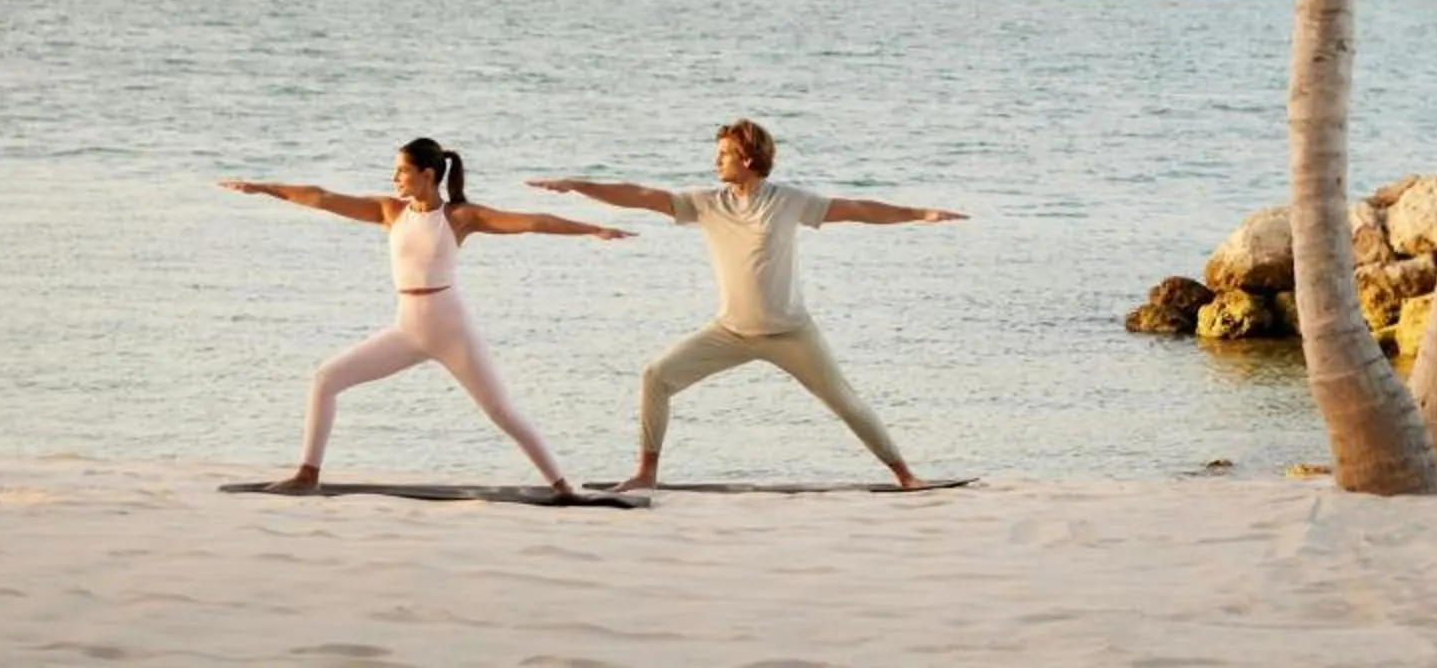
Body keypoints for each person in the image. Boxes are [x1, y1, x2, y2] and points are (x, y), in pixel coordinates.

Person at [529, 119, 963, 490]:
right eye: (717, 153)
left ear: (749, 159)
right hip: (731, 332)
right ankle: (646, 474)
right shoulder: (705, 203)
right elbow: (641, 194)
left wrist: (919, 213)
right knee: (656, 376)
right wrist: (577, 186)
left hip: (791, 333)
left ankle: (907, 477)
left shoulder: (790, 201)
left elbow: (858, 209)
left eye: (725, 154)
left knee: (845, 402)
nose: (716, 161)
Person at [219, 136, 632, 495]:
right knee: (326, 379)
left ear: (428, 174)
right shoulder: (389, 212)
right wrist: (264, 188)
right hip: (408, 330)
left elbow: (533, 222)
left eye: (401, 171)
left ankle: (563, 485)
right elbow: (321, 197)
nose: (395, 179)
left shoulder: (458, 217)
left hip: (450, 330)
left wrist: (593, 229)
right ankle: (307, 474)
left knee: (501, 411)